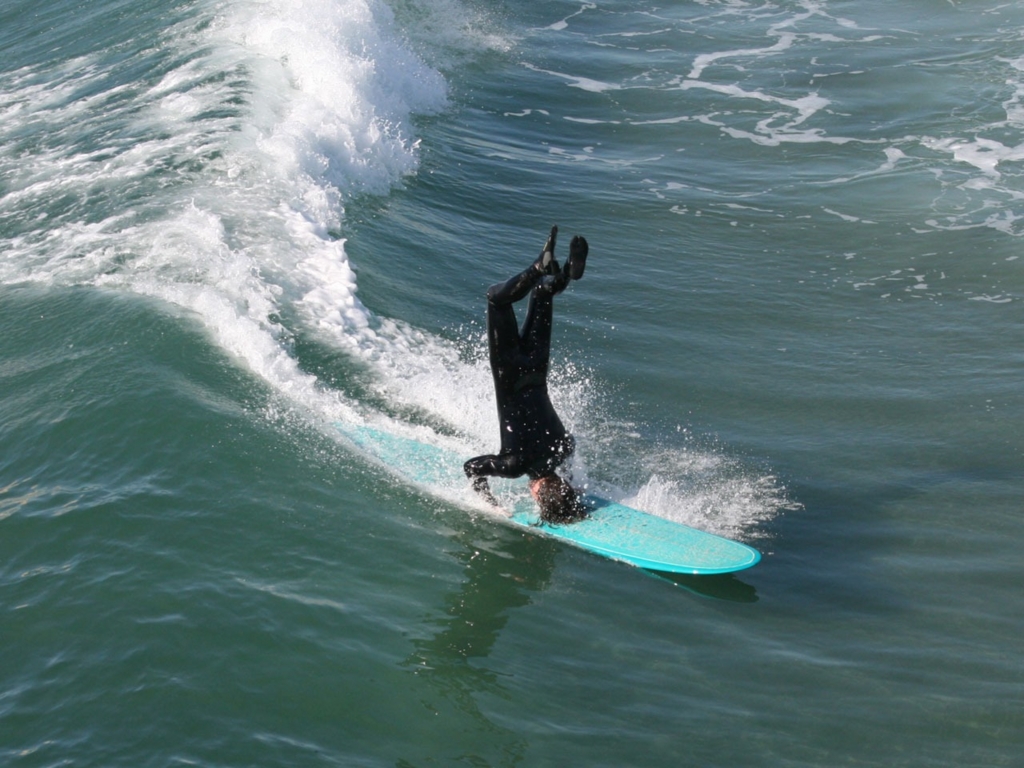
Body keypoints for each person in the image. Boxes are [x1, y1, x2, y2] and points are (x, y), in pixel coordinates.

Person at [464, 226, 589, 523]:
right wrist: (489, 502)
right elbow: (471, 467)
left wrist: (571, 482)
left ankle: (566, 274)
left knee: (543, 294)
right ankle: (537, 268)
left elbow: (569, 447)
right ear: (535, 494)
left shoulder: (561, 448)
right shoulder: (512, 465)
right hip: (510, 371)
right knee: (497, 299)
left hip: (536, 368)